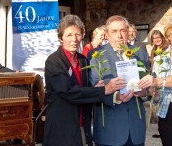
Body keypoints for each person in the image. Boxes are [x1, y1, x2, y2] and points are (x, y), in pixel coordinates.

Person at [43, 14, 127, 146]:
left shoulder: (83, 60)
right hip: (62, 129)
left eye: (78, 34)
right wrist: (103, 90)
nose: (74, 39)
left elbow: (87, 90)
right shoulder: (54, 62)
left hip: (82, 125)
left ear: (82, 36)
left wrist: (97, 88)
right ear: (61, 38)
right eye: (69, 35)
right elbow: (69, 92)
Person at [89, 15, 150, 146]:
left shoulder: (141, 54)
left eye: (122, 31)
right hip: (109, 130)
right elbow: (93, 88)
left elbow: (150, 88)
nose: (119, 35)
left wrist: (144, 92)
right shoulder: (96, 55)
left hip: (135, 128)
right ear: (107, 35)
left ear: (128, 32)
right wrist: (116, 97)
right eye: (114, 31)